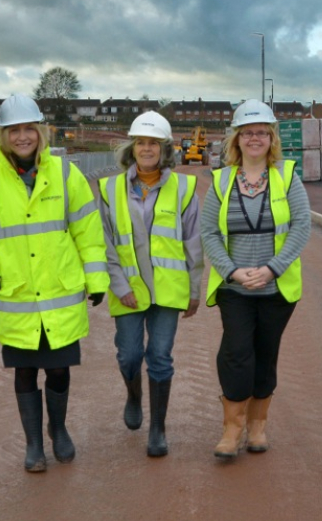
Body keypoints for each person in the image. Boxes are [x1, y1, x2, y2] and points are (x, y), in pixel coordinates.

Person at [0, 94, 109, 472]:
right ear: (2, 135)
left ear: (41, 131)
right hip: (16, 295)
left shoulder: (65, 172)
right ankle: (33, 444)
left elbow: (87, 230)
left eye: (29, 129)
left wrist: (96, 276)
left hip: (59, 292)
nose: (23, 137)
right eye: (14, 131)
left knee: (59, 369)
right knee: (25, 371)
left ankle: (59, 429)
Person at [200, 99, 311, 459]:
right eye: (247, 132)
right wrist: (232, 270)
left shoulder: (287, 177)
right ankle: (232, 429)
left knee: (266, 353)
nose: (254, 138)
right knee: (236, 352)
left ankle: (257, 426)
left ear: (271, 138)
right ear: (237, 139)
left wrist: (272, 268)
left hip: (276, 287)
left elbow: (301, 226)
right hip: (234, 287)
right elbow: (209, 232)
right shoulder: (221, 181)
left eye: (261, 132)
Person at [98, 111, 203, 457]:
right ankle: (133, 396)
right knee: (129, 355)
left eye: (153, 144)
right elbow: (105, 242)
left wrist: (193, 289)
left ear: (164, 149)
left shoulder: (184, 188)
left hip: (168, 291)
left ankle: (157, 429)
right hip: (127, 289)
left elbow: (193, 241)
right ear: (131, 147)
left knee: (160, 356)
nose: (146, 149)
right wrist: (119, 286)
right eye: (141, 142)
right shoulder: (110, 189)